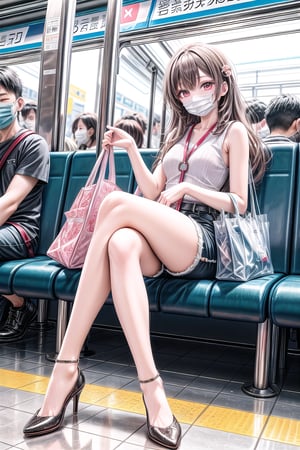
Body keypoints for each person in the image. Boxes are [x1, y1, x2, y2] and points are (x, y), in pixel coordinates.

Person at [23, 42, 270, 448]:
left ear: (223, 86)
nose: (194, 96)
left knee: (114, 203)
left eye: (204, 85)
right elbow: (154, 190)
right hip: (167, 233)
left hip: (205, 240)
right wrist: (134, 150)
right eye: (184, 91)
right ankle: (151, 387)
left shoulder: (235, 132)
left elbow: (239, 202)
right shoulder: (179, 134)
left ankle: (66, 367)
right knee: (120, 244)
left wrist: (191, 187)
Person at [0, 66, 49, 342]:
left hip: (21, 230)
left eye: (1, 99)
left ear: (18, 103)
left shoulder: (32, 145)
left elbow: (10, 202)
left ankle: (20, 305)